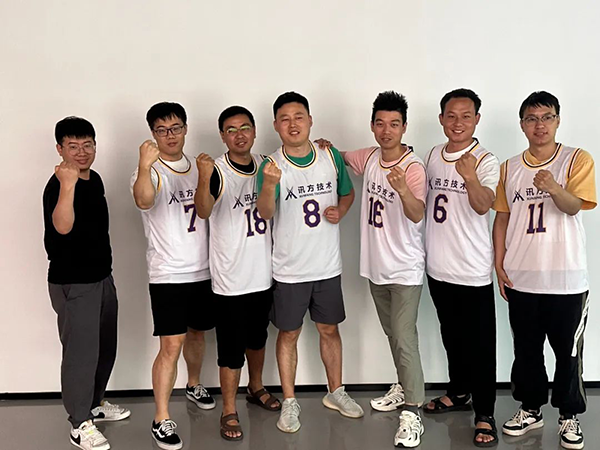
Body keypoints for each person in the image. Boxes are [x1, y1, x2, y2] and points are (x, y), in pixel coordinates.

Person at [319, 90, 428, 448]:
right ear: (372, 126)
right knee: (394, 335)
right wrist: (326, 146)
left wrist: (403, 190)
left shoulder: (413, 167)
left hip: (405, 269)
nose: (386, 131)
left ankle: (412, 411)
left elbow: (417, 213)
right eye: (380, 123)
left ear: (404, 127)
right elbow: (339, 156)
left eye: (394, 124)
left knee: (405, 338)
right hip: (376, 267)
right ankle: (404, 386)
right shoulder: (368, 157)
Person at [493, 91, 596, 450]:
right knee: (527, 351)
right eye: (532, 119)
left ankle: (569, 415)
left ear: (558, 120)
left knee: (568, 353)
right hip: (522, 277)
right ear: (522, 125)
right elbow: (502, 217)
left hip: (566, 279)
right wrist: (498, 262)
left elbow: (574, 207)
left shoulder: (576, 159)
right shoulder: (509, 167)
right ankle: (530, 408)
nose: (540, 125)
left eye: (547, 117)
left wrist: (553, 187)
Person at [256, 91, 362, 434]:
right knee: (288, 334)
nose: (293, 124)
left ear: (310, 120)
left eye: (299, 116)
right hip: (289, 269)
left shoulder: (329, 155)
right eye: (285, 119)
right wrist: (269, 186)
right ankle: (290, 401)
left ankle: (336, 391)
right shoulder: (271, 166)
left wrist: (341, 211)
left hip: (327, 265)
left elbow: (348, 192)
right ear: (276, 125)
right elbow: (264, 213)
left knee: (330, 330)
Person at [131, 102, 216, 450]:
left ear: (185, 129)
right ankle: (161, 417)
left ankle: (193, 383)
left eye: (176, 127)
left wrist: (206, 174)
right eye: (162, 130)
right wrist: (143, 165)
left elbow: (207, 208)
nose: (170, 135)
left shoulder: (198, 166)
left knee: (197, 333)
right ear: (153, 133)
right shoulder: (149, 169)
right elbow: (143, 201)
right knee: (170, 345)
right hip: (167, 273)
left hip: (204, 269)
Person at [194, 105, 281, 441]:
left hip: (262, 273)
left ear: (255, 131)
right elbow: (203, 210)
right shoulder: (217, 170)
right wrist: (203, 176)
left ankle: (255, 388)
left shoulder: (265, 164)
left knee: (258, 338)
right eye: (231, 130)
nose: (239, 135)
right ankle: (228, 409)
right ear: (222, 136)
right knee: (231, 349)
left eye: (245, 127)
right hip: (230, 279)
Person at [43, 116, 130, 450]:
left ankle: (94, 404)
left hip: (101, 277)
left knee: (104, 348)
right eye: (73, 146)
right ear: (60, 149)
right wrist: (67, 185)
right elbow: (62, 227)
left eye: (87, 145)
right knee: (80, 355)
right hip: (73, 283)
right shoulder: (58, 185)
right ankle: (79, 423)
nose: (81, 152)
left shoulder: (95, 179)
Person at [422, 88, 500, 447]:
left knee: (481, 345)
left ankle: (485, 413)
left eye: (466, 116)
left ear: (477, 120)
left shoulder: (485, 160)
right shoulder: (433, 155)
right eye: (451, 116)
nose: (458, 123)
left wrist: (469, 176)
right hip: (438, 268)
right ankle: (458, 392)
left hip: (472, 269)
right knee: (451, 336)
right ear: (441, 119)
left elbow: (484, 205)